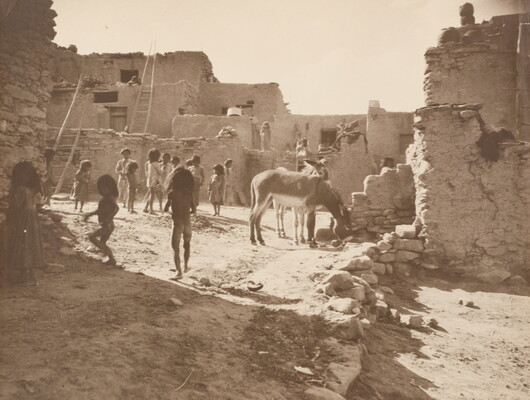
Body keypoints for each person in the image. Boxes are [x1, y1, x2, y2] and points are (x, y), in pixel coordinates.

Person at [4, 161, 44, 285]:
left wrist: (5, 207)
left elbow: (15, 205)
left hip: (22, 220)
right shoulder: (31, 189)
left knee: (22, 244)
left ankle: (26, 278)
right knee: (29, 244)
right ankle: (31, 276)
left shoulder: (20, 189)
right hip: (31, 221)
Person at [164, 167, 195, 280]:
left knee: (175, 247)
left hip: (177, 223)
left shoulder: (172, 192)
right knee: (186, 245)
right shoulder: (188, 193)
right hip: (188, 223)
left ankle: (179, 272)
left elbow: (166, 208)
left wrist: (170, 210)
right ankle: (186, 266)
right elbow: (193, 210)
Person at [83, 174, 119, 265]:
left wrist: (108, 218)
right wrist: (90, 214)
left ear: (111, 188)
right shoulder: (105, 198)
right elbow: (99, 211)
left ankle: (111, 257)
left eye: (105, 188)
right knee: (102, 243)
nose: (103, 190)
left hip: (107, 225)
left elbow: (116, 208)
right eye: (102, 188)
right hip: (107, 224)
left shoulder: (110, 198)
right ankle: (109, 258)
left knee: (92, 237)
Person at [143, 148, 162, 214]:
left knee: (151, 194)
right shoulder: (156, 163)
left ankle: (146, 208)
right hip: (154, 180)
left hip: (150, 180)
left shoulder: (149, 163)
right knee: (152, 195)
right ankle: (151, 210)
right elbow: (160, 172)